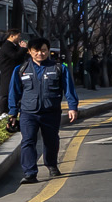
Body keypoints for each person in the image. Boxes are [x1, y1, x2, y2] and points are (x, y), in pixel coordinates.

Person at [8, 37, 79, 183]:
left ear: (48, 51)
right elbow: (14, 92)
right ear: (29, 52)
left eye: (44, 50)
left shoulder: (59, 68)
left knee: (51, 141)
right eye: (36, 51)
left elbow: (69, 89)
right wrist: (13, 113)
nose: (40, 53)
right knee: (28, 141)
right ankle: (30, 173)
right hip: (28, 112)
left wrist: (72, 107)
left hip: (51, 111)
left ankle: (52, 165)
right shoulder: (20, 70)